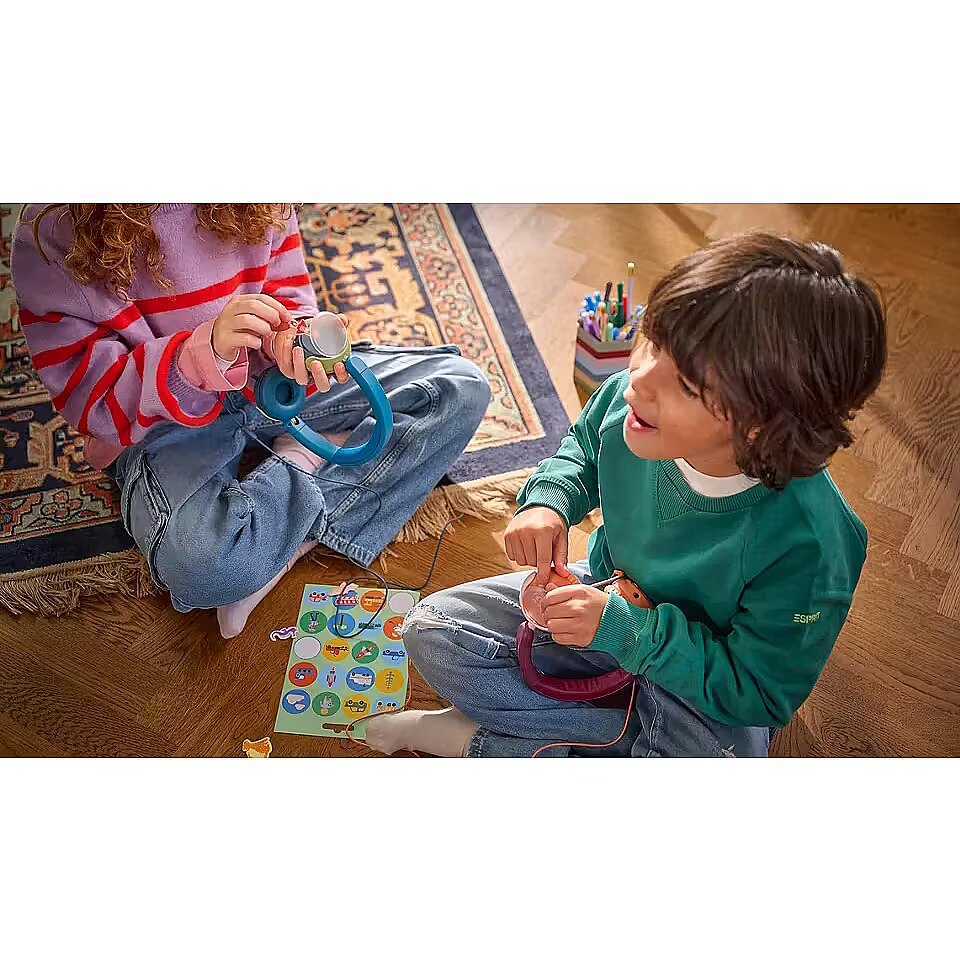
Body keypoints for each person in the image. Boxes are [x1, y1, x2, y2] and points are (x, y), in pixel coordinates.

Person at [362, 232, 886, 758]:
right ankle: (583, 738)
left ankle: (488, 740)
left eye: (686, 385)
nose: (639, 379)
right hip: (606, 596)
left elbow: (758, 691)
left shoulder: (812, 543)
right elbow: (582, 451)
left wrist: (627, 633)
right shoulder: (626, 404)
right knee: (433, 629)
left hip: (699, 683)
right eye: (653, 342)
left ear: (761, 425)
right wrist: (549, 500)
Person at [12, 204, 489, 638]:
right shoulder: (55, 231)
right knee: (202, 567)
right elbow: (91, 399)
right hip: (163, 424)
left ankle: (277, 528)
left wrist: (291, 339)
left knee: (459, 387)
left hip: (270, 388)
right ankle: (299, 475)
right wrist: (198, 356)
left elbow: (288, 295)